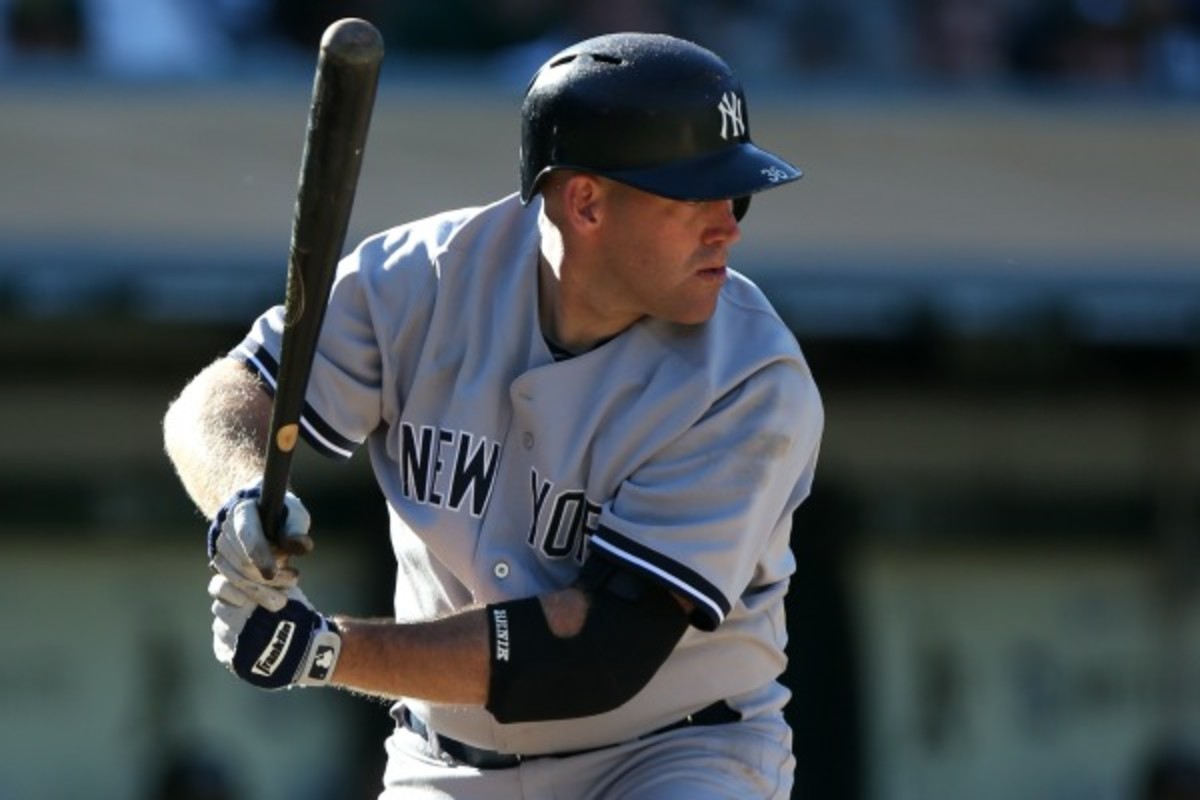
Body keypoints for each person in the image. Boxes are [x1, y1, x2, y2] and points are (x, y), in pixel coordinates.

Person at [163, 31, 822, 799]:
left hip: (672, 754)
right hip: (446, 763)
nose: (730, 225)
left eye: (735, 193)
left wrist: (324, 650)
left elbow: (594, 653)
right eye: (696, 195)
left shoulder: (750, 376)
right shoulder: (424, 278)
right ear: (585, 202)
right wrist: (239, 496)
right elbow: (223, 397)